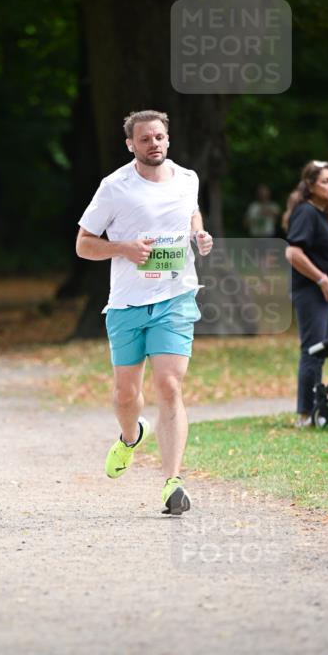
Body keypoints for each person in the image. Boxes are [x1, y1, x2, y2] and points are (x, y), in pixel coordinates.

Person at [76, 109, 213, 515]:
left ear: (167, 139)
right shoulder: (114, 187)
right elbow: (84, 244)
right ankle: (130, 435)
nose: (154, 143)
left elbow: (191, 212)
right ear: (131, 144)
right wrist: (124, 248)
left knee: (169, 386)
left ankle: (173, 482)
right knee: (125, 395)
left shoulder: (187, 178)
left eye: (159, 137)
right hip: (127, 304)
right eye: (145, 138)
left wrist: (198, 234)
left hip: (175, 297)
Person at [283, 160, 328, 427]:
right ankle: (305, 414)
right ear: (310, 186)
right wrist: (321, 279)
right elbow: (292, 252)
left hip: (325, 296)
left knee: (319, 350)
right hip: (311, 292)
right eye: (325, 181)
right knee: (312, 350)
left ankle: (315, 408)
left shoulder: (322, 214)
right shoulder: (307, 212)